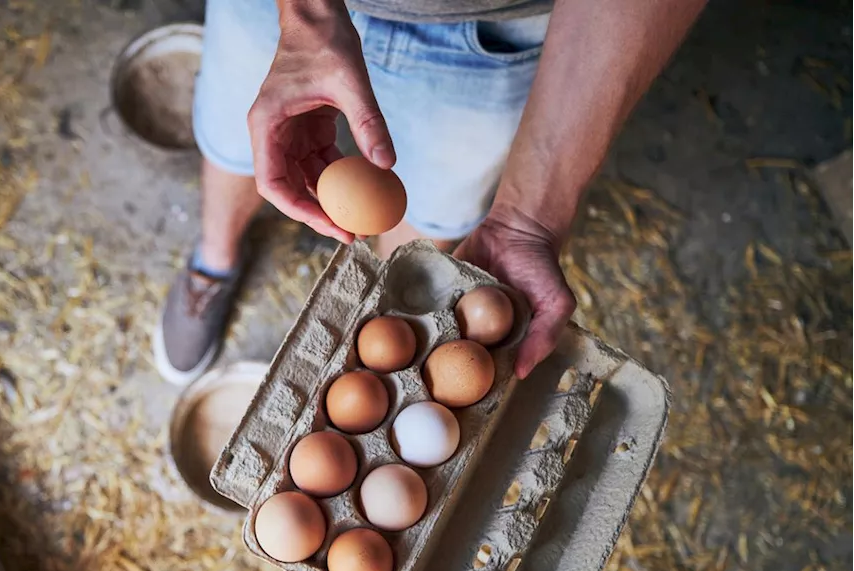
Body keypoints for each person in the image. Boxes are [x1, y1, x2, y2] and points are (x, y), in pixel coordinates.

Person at [154, 0, 707, 384]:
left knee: (427, 212)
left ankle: (382, 331)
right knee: (244, 142)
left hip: (498, 30)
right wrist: (306, 12)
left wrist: (529, 219)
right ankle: (215, 261)